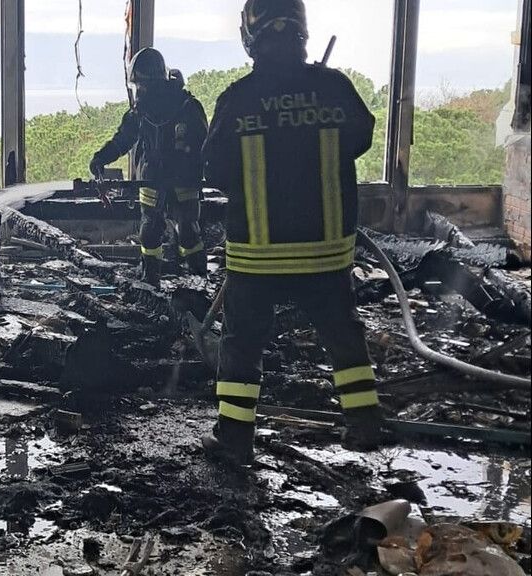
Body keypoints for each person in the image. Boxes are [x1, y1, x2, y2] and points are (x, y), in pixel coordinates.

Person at [200, 0, 384, 465]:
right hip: (326, 252)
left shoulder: (238, 98)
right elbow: (361, 136)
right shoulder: (334, 87)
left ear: (250, 37)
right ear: (302, 32)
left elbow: (214, 167)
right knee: (343, 333)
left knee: (242, 344)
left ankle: (235, 438)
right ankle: (364, 423)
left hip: (256, 254)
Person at [89, 47, 209, 285]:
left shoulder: (187, 107)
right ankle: (150, 279)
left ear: (151, 83)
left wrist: (201, 170)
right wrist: (100, 158)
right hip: (152, 178)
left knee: (188, 231)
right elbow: (123, 139)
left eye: (141, 86)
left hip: (183, 179)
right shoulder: (141, 112)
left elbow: (205, 144)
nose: (139, 91)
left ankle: (199, 280)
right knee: (150, 231)